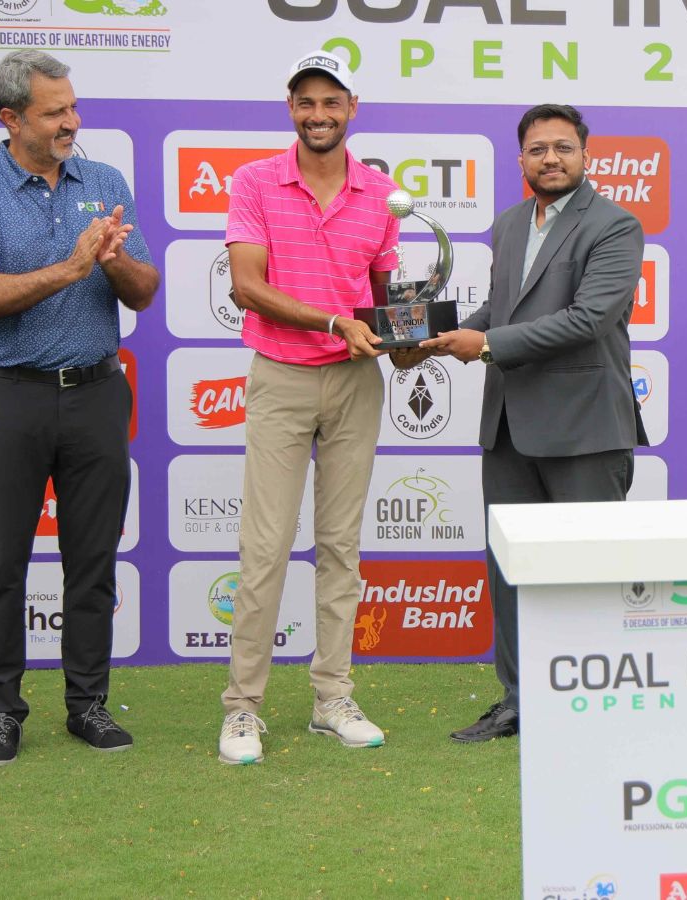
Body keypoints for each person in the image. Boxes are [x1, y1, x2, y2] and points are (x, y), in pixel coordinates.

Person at [0, 50, 158, 767]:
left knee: (91, 562)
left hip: (96, 393)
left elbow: (144, 290)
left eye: (72, 106)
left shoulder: (105, 180)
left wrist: (114, 258)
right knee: (1, 565)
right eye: (54, 111)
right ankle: (1, 711)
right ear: (11, 119)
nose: (72, 121)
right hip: (8, 397)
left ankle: (87, 705)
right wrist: (70, 265)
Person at [420, 104, 646, 743]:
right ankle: (519, 700)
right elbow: (501, 307)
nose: (551, 158)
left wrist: (486, 345)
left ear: (585, 155)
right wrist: (434, 337)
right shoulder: (510, 224)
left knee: (589, 574)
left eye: (564, 148)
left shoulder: (615, 224)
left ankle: (599, 705)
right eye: (538, 149)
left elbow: (588, 319)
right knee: (510, 570)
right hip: (509, 426)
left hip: (586, 427)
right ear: (520, 159)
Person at [216, 50, 418, 765]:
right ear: (290, 108)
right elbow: (247, 285)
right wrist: (334, 322)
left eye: (331, 102)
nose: (319, 114)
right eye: (306, 102)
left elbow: (388, 302)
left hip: (356, 384)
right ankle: (243, 708)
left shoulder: (383, 194)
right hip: (282, 376)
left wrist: (411, 339)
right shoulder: (255, 182)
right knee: (265, 549)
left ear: (351, 108)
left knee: (340, 547)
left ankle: (332, 697)